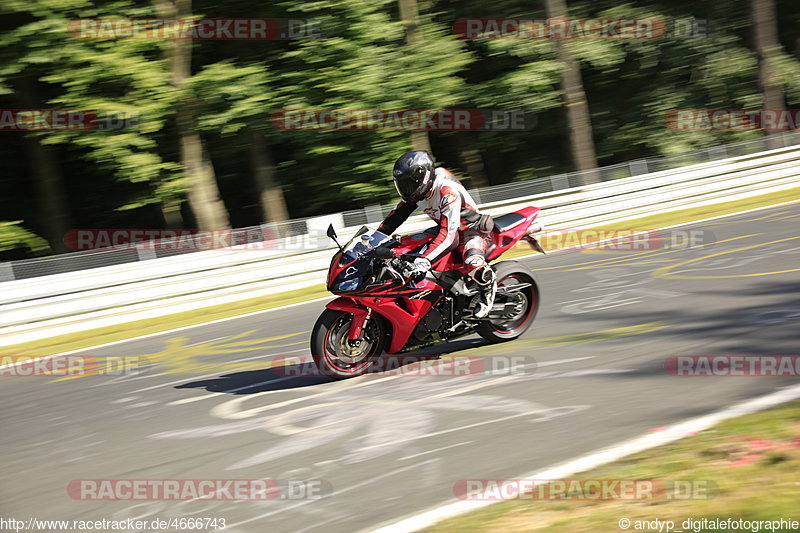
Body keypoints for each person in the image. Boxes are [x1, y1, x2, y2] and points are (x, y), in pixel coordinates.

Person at [377, 151, 497, 318]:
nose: (406, 189)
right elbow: (394, 219)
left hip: (471, 230)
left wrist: (424, 260)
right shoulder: (418, 191)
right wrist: (371, 240)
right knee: (406, 249)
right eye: (403, 185)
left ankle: (488, 288)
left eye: (410, 184)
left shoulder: (447, 191)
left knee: (472, 262)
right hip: (446, 226)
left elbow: (449, 236)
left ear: (423, 177)